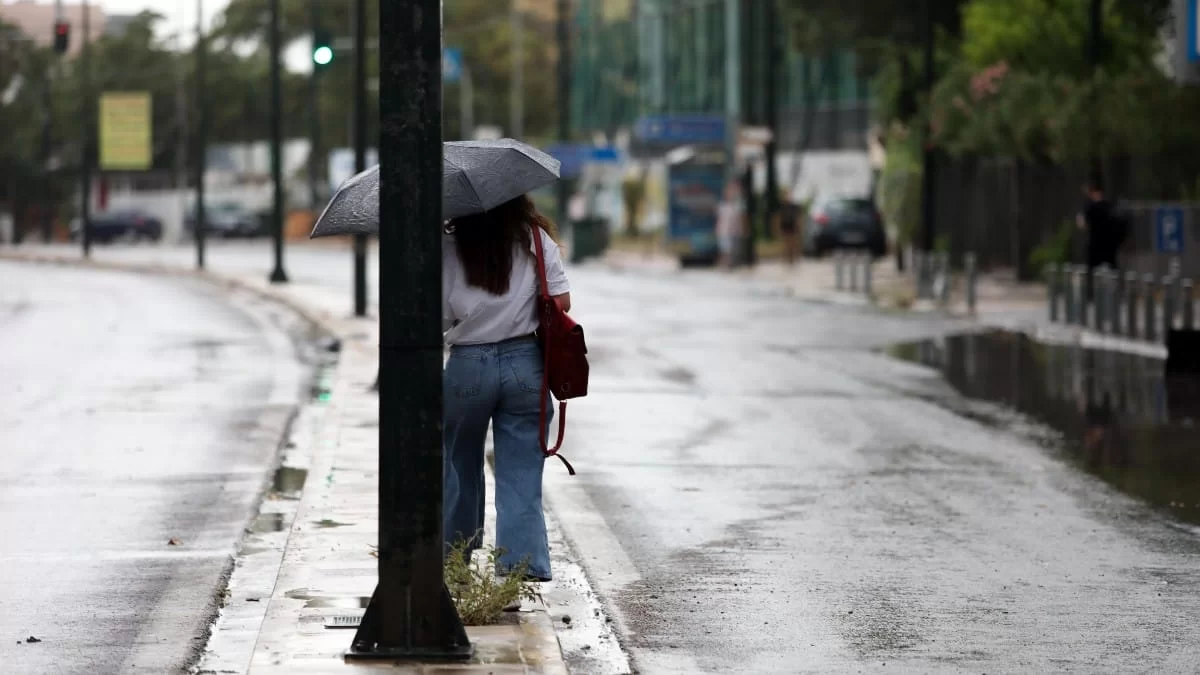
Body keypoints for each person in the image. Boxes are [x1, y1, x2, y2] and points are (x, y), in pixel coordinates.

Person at [442, 194, 571, 582]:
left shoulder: (447, 247)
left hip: (467, 364)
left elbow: (438, 313)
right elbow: (561, 301)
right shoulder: (534, 238)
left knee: (457, 461)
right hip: (524, 364)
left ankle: (455, 558)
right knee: (521, 472)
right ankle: (520, 567)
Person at [715, 180, 746, 269]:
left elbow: (742, 218)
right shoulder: (722, 206)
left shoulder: (738, 205)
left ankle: (731, 263)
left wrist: (743, 229)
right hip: (724, 231)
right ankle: (727, 264)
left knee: (734, 249)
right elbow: (719, 219)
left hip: (735, 231)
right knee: (726, 249)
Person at [772, 190, 802, 267]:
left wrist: (799, 226)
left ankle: (793, 258)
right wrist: (776, 228)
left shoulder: (794, 206)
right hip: (785, 226)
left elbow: (798, 217)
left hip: (792, 226)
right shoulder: (781, 207)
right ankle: (788, 258)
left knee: (793, 243)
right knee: (786, 243)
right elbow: (777, 218)